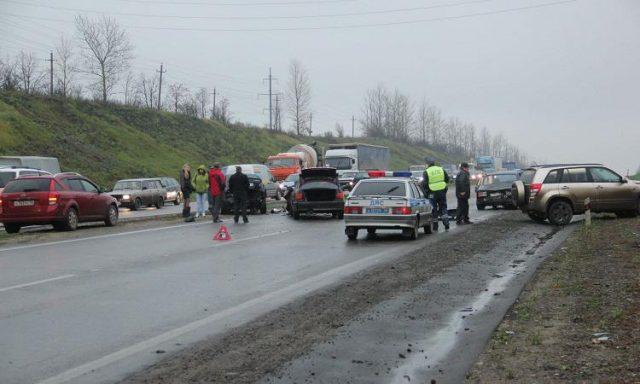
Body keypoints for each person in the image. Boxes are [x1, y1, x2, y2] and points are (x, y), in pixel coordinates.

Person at [423, 159, 450, 231]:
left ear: (428, 164)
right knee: (443, 207)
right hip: (442, 192)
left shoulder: (426, 172)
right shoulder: (441, 169)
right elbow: (447, 179)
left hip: (432, 192)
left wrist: (426, 192)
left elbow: (425, 184)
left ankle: (435, 226)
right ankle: (446, 224)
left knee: (434, 209)